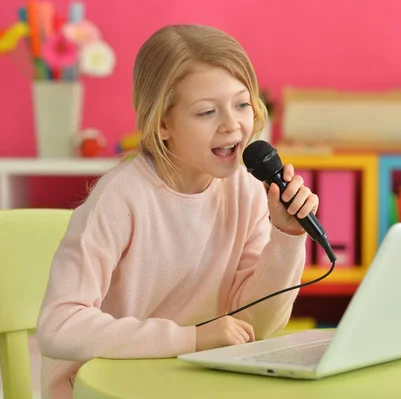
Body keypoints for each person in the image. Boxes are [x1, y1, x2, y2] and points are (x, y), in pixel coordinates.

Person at [36, 24, 318, 399]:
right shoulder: (120, 198)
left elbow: (256, 326)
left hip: (188, 380)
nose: (232, 124)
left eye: (242, 103)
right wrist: (191, 339)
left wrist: (287, 237)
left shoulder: (247, 192)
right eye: (206, 112)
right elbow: (60, 326)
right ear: (163, 123)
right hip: (106, 387)